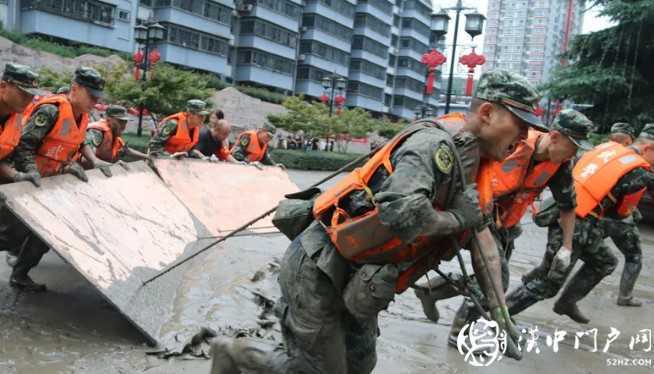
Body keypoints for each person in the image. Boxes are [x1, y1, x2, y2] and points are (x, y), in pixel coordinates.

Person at [209, 70, 546, 373]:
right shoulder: (435, 146)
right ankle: (232, 353)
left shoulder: (476, 161)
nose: (525, 137)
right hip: (320, 265)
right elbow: (401, 210)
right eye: (520, 124)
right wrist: (457, 218)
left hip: (363, 276)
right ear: (487, 113)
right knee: (312, 370)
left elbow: (482, 239)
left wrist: (499, 309)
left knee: (359, 365)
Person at [415, 109, 592, 339]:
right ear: (555, 136)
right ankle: (460, 333)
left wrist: (566, 247)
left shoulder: (559, 165)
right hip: (477, 215)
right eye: (573, 147)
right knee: (498, 280)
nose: (573, 155)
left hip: (506, 226)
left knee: (492, 278)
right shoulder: (512, 144)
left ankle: (431, 291)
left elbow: (567, 205)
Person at [506, 124, 654, 323]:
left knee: (605, 261)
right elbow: (621, 213)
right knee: (548, 284)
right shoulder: (638, 170)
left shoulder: (609, 148)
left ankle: (566, 302)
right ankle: (498, 316)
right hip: (574, 225)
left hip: (574, 217)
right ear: (647, 148)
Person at [6, 66, 112, 292]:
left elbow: (75, 143)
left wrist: (75, 165)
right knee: (10, 234)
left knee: (44, 236)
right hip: (26, 179)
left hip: (51, 182)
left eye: (97, 98)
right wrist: (31, 172)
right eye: (91, 96)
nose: (95, 102)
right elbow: (24, 145)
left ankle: (20, 274)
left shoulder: (84, 116)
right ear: (76, 88)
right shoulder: (51, 111)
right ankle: (14, 254)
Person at [599, 122, 645, 306]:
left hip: (595, 215)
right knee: (634, 257)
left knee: (579, 251)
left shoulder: (601, 152)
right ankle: (625, 297)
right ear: (629, 139)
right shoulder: (632, 158)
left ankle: (548, 280)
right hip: (620, 219)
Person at [83, 104, 148, 165]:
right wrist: (113, 165)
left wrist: (148, 157)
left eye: (125, 122)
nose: (123, 125)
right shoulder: (98, 132)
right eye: (120, 121)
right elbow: (85, 158)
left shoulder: (113, 134)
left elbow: (127, 150)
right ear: (108, 119)